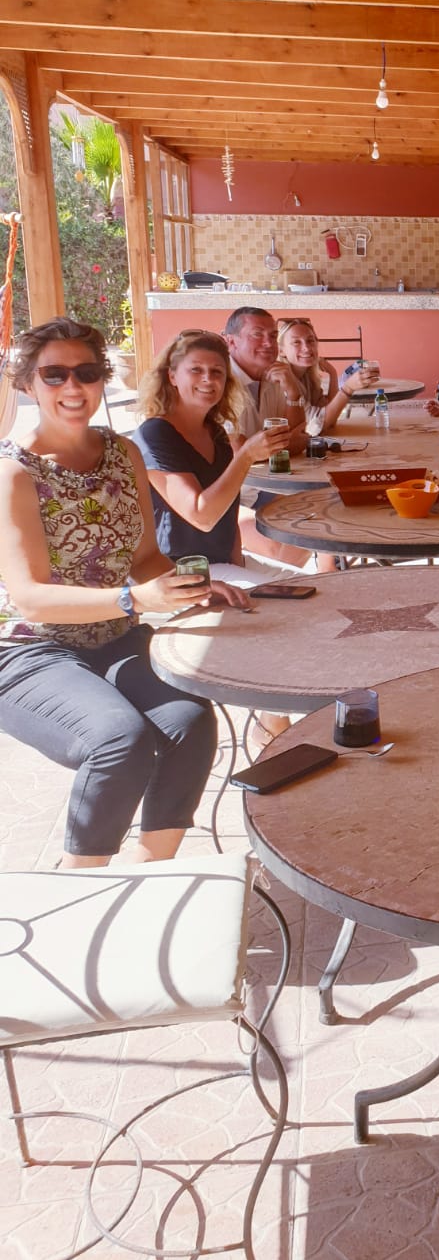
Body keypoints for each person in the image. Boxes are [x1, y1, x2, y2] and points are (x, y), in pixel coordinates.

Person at [0, 318, 247, 870]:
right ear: (27, 384)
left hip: (113, 639)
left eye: (86, 373)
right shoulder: (13, 473)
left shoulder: (122, 453)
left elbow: (142, 559)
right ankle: (79, 883)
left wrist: (195, 587)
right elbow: (31, 599)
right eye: (54, 374)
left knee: (189, 722)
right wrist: (135, 601)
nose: (72, 387)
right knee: (120, 740)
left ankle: (146, 874)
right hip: (31, 650)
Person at [132, 329, 274, 577]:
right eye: (196, 370)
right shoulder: (155, 434)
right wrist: (246, 456)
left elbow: (228, 512)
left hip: (221, 566)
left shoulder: (216, 432)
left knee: (311, 590)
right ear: (173, 376)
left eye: (217, 372)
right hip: (176, 571)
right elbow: (202, 516)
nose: (208, 379)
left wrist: (237, 566)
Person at [273, 316, 375, 434]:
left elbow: (331, 415)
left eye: (311, 340)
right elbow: (318, 425)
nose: (306, 348)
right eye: (296, 342)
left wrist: (332, 373)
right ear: (281, 351)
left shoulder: (307, 376)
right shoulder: (283, 382)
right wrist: (348, 388)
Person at [222, 305, 306, 446]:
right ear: (231, 341)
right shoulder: (219, 380)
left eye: (273, 336)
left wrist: (293, 393)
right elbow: (234, 451)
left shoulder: (276, 375)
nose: (269, 343)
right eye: (257, 334)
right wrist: (286, 445)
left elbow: (296, 436)